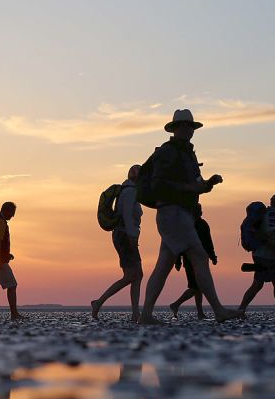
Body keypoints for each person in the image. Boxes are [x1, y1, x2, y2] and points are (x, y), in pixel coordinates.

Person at [138, 110, 242, 325]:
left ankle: (146, 314)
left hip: (178, 214)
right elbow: (159, 184)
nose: (188, 130)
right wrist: (190, 187)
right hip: (173, 213)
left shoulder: (188, 153)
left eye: (190, 126)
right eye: (184, 126)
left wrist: (208, 184)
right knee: (200, 257)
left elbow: (196, 186)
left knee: (164, 265)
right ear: (175, 129)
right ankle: (218, 310)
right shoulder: (168, 152)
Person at [91, 165, 143, 322]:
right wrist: (133, 237)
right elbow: (127, 216)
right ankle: (98, 302)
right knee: (130, 276)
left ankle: (135, 313)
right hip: (125, 236)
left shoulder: (129, 191)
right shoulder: (130, 192)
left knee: (137, 275)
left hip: (126, 235)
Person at [238, 193, 275, 320]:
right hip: (265, 256)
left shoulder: (270, 214)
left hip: (263, 255)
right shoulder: (272, 215)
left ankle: (241, 310)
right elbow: (268, 236)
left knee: (259, 284)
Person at [169, 203, 217, 319]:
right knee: (195, 287)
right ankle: (175, 304)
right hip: (190, 260)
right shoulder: (189, 225)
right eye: (198, 211)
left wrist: (212, 256)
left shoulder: (202, 224)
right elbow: (181, 243)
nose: (200, 213)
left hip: (199, 259)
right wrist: (178, 261)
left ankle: (200, 313)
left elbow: (208, 242)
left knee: (198, 287)